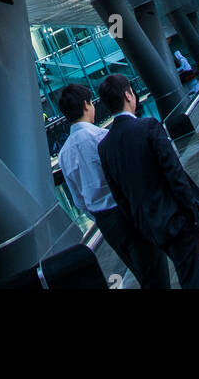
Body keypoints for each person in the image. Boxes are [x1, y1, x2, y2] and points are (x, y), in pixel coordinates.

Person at [97, 73, 199, 290]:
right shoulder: (148, 127)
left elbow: (119, 195)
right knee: (191, 275)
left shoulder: (105, 146)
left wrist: (141, 224)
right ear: (128, 94)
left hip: (151, 227)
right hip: (177, 219)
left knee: (194, 269)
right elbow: (174, 173)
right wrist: (190, 211)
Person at [56, 83, 158, 286]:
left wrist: (97, 213)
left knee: (139, 271)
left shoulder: (64, 154)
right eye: (91, 103)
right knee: (154, 267)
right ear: (86, 105)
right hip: (127, 212)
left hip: (105, 222)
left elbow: (78, 199)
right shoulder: (101, 137)